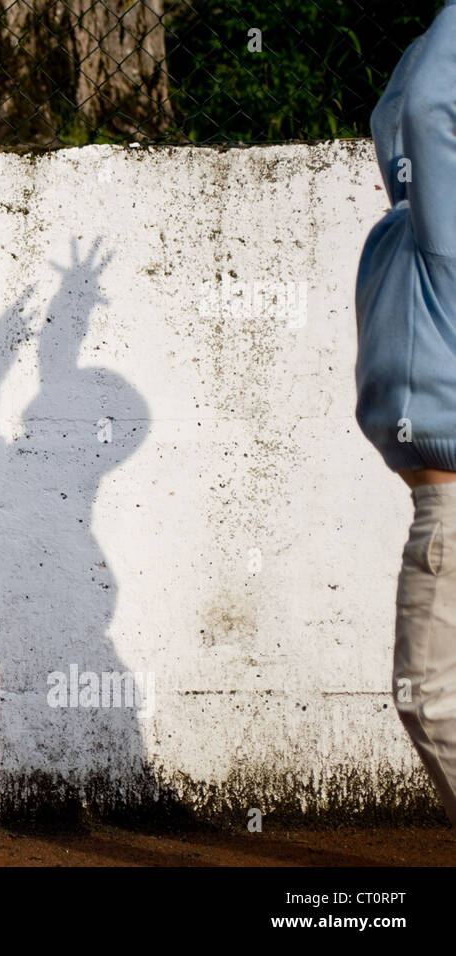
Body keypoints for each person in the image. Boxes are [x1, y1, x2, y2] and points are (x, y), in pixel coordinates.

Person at [356, 0, 456, 826]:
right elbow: (395, 112)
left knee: (430, 703)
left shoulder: (444, 237)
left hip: (451, 509)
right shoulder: (399, 233)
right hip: (437, 506)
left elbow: (421, 103)